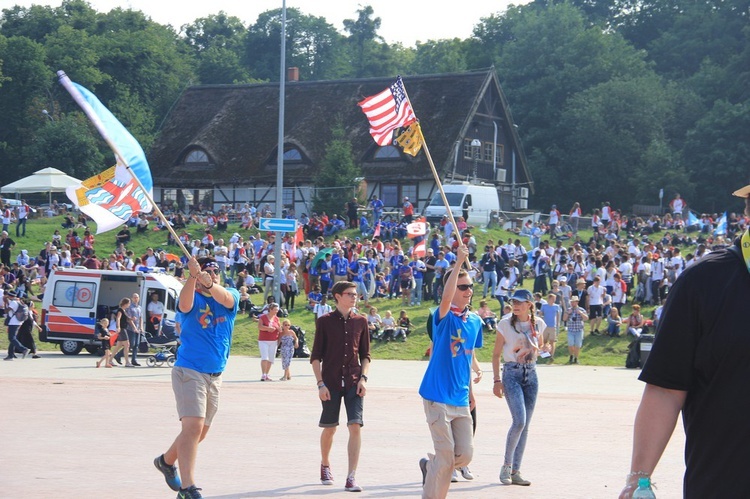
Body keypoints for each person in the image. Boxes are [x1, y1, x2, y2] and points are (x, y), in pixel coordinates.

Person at [618, 185, 750, 498]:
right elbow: (666, 389)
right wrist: (639, 479)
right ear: (748, 210)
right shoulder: (703, 282)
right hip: (723, 484)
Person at [154, 256, 239, 499]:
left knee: (200, 432)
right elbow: (184, 305)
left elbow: (227, 298)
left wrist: (211, 285)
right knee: (192, 427)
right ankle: (188, 488)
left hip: (215, 375)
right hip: (189, 370)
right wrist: (193, 276)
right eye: (207, 271)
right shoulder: (192, 297)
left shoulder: (229, 294)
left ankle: (166, 461)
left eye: (216, 271)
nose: (212, 274)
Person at [418, 245, 483, 498]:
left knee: (464, 455)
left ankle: (430, 466)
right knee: (446, 459)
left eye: (470, 287)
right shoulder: (442, 316)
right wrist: (459, 263)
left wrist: (471, 390)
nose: (469, 292)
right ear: (452, 288)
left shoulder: (475, 321)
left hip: (460, 397)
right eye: (463, 287)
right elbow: (445, 300)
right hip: (437, 396)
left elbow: (466, 359)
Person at [310, 280, 370, 493]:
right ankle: (325, 464)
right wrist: (320, 384)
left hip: (355, 382)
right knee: (330, 428)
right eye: (350, 294)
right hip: (331, 383)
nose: (354, 297)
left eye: (356, 294)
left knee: (355, 425)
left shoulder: (361, 321)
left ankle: (351, 476)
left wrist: (363, 378)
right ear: (337, 296)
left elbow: (366, 355)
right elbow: (316, 356)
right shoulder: (324, 321)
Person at [492, 288, 546, 487]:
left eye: (520, 302)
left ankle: (516, 470)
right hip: (512, 374)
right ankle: (506, 466)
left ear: (529, 305)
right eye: (514, 302)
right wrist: (497, 381)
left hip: (531, 374)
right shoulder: (505, 324)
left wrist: (544, 349)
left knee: (525, 426)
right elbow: (496, 354)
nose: (515, 305)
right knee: (519, 421)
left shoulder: (538, 323)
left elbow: (539, 348)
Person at [258, 302, 281, 381]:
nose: (276, 311)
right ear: (270, 309)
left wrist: (279, 329)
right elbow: (260, 327)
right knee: (265, 357)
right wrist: (268, 328)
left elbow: (279, 327)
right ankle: (263, 374)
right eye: (275, 310)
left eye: (277, 310)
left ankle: (267, 374)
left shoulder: (276, 318)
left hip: (273, 340)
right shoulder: (263, 317)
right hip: (263, 340)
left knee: (271, 358)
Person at [4, 290, 30, 360]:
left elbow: (6, 311)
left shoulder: (13, 303)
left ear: (10, 296)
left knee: (11, 338)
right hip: (18, 322)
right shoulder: (19, 301)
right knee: (13, 338)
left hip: (13, 322)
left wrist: (5, 302)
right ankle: (11, 355)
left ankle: (24, 349)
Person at [110, 297, 134, 367]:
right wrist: (118, 327)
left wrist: (131, 319)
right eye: (129, 303)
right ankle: (127, 362)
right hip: (122, 329)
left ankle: (110, 360)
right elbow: (118, 318)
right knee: (127, 345)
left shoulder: (124, 310)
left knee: (118, 345)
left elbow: (127, 319)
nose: (129, 305)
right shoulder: (120, 310)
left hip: (123, 328)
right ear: (125, 304)